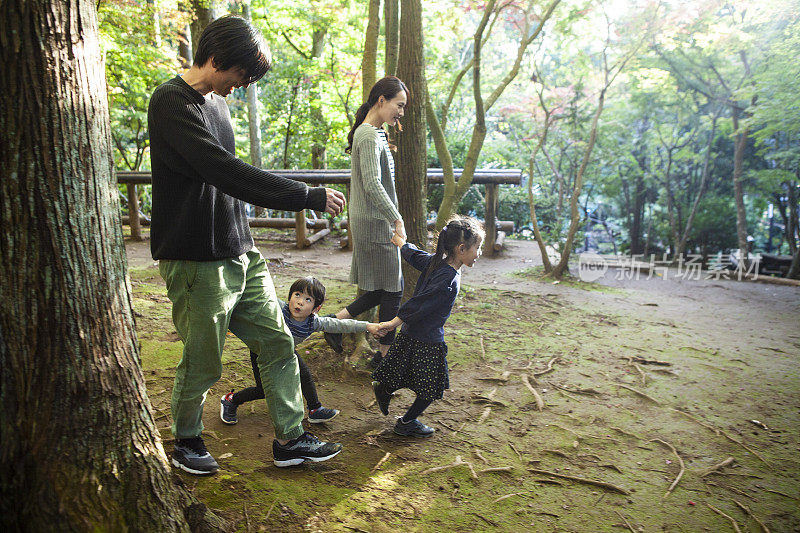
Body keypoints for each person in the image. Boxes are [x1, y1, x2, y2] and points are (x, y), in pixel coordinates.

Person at [147, 15, 346, 474]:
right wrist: (304, 195)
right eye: (242, 75)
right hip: (196, 261)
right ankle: (187, 440)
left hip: (241, 253)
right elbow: (222, 170)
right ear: (217, 59)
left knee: (278, 343)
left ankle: (291, 439)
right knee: (203, 360)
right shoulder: (171, 101)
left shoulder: (218, 103)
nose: (241, 86)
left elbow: (231, 181)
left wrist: (248, 243)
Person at [220, 276, 389, 425]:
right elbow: (258, 298)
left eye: (308, 299)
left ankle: (315, 410)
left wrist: (367, 326)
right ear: (290, 297)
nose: (300, 301)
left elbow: (340, 324)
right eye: (297, 295)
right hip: (262, 350)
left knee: (305, 375)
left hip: (286, 352)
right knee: (263, 389)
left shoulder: (313, 322)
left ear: (316, 308)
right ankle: (231, 400)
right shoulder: (277, 309)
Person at [323, 77, 409, 367]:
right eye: (399, 105)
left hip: (371, 218)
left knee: (382, 287)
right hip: (375, 220)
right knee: (393, 287)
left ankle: (333, 324)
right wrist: (396, 219)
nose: (401, 112)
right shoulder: (369, 135)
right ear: (382, 101)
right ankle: (384, 357)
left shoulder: (374, 132)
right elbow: (373, 184)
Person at [372, 216, 484, 438]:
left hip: (411, 334)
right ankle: (407, 421)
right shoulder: (447, 278)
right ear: (461, 248)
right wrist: (393, 322)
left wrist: (402, 241)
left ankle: (384, 388)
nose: (479, 252)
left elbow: (415, 256)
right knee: (431, 387)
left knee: (402, 369)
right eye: (477, 247)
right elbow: (420, 302)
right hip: (428, 339)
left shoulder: (437, 263)